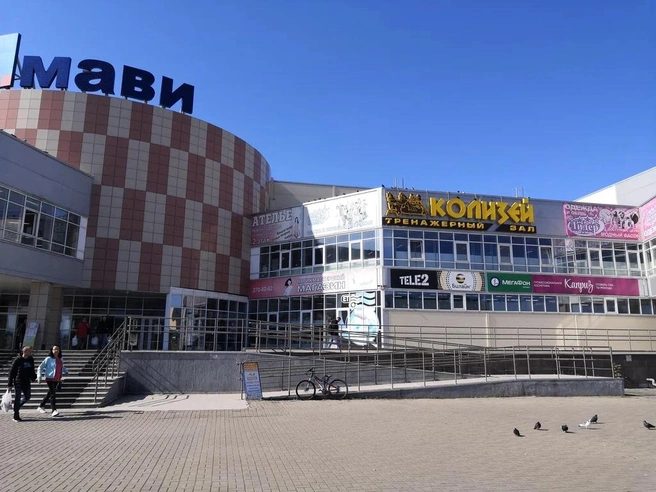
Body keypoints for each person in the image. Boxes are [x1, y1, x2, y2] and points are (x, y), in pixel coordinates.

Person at [36, 345, 68, 417]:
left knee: (50, 393)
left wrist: (65, 371)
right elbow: (40, 367)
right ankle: (54, 410)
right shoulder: (48, 359)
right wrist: (39, 377)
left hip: (57, 378)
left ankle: (41, 405)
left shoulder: (60, 358)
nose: (56, 351)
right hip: (50, 378)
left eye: (57, 349)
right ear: (52, 350)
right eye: (54, 349)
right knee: (53, 394)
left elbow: (61, 367)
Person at [7, 345, 37, 422]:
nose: (31, 352)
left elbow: (32, 369)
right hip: (18, 381)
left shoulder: (31, 359)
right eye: (30, 351)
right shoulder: (18, 359)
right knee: (18, 397)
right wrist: (10, 384)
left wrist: (34, 377)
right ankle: (16, 415)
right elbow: (12, 372)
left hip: (26, 381)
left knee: (28, 396)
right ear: (25, 351)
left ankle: (17, 407)